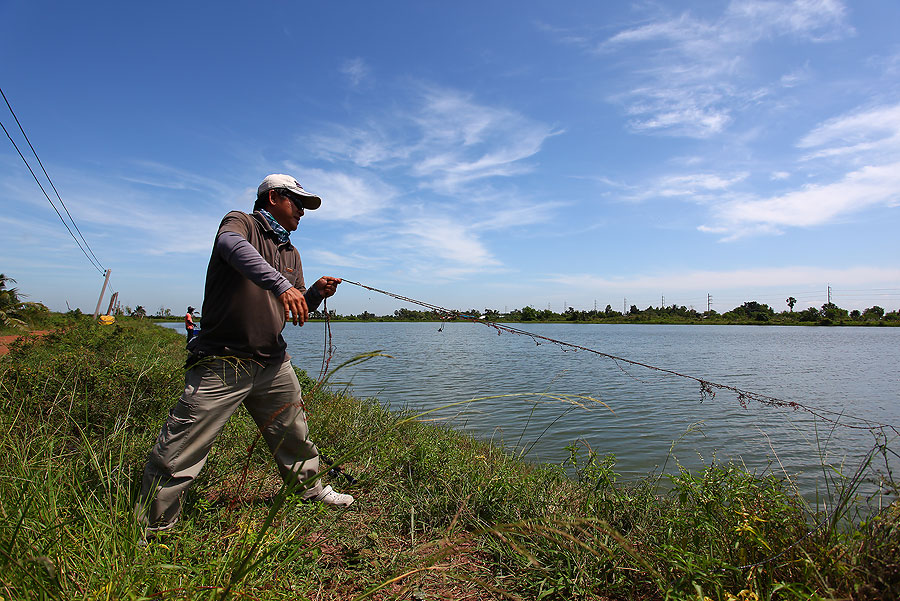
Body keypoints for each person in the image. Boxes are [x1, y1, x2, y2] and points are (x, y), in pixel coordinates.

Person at [136, 174, 352, 535]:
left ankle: (310, 491)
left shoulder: (291, 252)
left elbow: (293, 310)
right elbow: (230, 246)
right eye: (297, 203)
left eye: (304, 206)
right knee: (182, 447)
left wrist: (312, 293)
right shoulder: (240, 223)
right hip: (224, 361)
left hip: (272, 363)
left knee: (294, 435)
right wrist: (282, 285)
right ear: (272, 198)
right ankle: (155, 526)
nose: (302, 211)